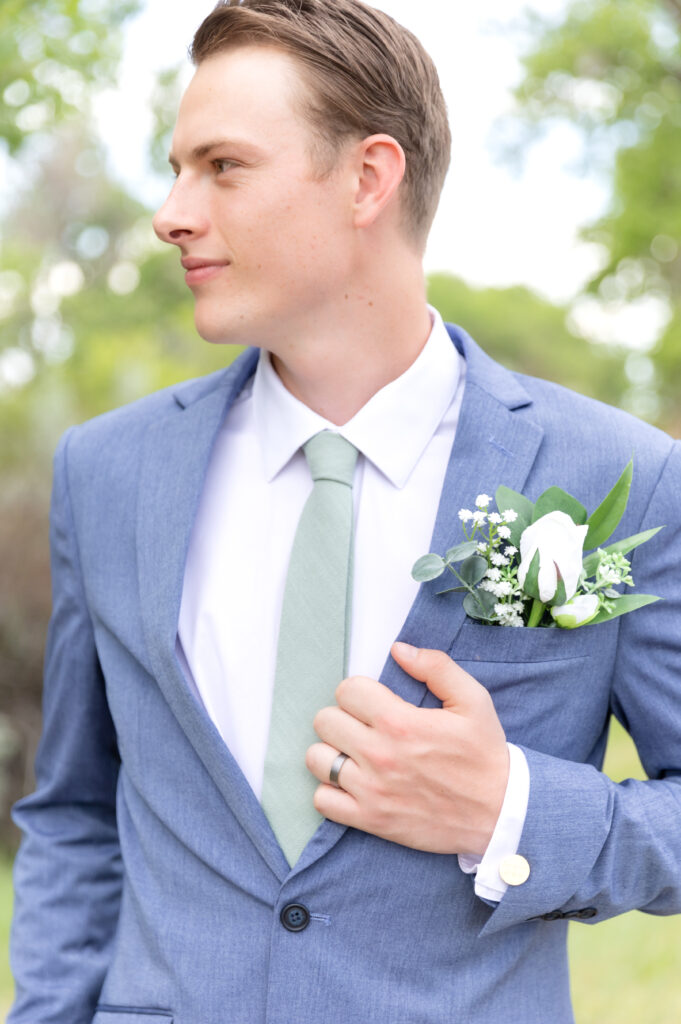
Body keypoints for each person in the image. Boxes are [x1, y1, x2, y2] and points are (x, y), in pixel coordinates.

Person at [8, 1, 681, 1022]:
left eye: (222, 166)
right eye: (176, 166)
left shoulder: (616, 478)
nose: (172, 211)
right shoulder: (106, 472)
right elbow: (74, 812)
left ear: (369, 177)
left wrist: (509, 805)